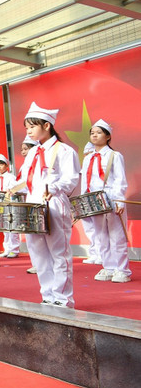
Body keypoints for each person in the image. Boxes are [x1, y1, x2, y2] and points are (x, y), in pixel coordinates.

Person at [12, 102, 80, 307]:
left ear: (47, 125)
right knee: (38, 252)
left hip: (54, 204)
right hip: (33, 206)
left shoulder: (64, 150)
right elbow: (26, 179)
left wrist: (55, 188)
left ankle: (63, 297)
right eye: (27, 128)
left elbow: (72, 178)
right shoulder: (33, 153)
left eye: (32, 126)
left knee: (59, 252)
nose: (29, 131)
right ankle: (48, 293)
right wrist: (13, 189)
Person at [80, 119, 131, 283]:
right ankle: (108, 267)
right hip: (94, 200)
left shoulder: (114, 156)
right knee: (101, 235)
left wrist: (119, 200)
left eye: (99, 132)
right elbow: (85, 182)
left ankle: (122, 269)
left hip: (110, 197)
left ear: (108, 136)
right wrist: (83, 202)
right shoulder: (88, 158)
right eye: (92, 132)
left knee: (117, 235)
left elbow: (120, 180)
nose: (94, 135)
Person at [19, 137, 39, 274]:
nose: (23, 152)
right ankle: (36, 262)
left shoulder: (39, 161)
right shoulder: (24, 165)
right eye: (22, 149)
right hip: (29, 200)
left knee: (39, 234)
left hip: (40, 200)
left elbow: (28, 183)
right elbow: (23, 183)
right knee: (31, 235)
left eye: (26, 149)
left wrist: (15, 188)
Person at [80, 140, 102, 264]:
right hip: (85, 198)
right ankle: (94, 253)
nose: (87, 155)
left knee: (99, 228)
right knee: (89, 228)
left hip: (97, 198)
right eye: (85, 153)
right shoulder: (85, 166)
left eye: (90, 152)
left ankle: (101, 254)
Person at [0, 154, 19, 258]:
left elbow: (14, 189)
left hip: (9, 203)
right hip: (0, 204)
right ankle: (7, 249)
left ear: (6, 166)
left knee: (12, 226)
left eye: (1, 165)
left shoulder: (11, 177)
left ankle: (14, 249)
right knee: (4, 226)